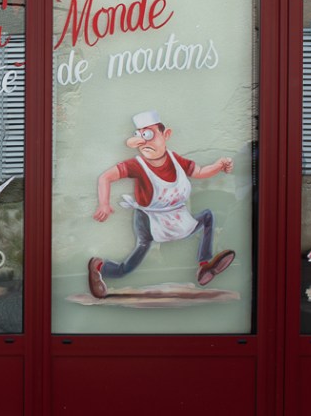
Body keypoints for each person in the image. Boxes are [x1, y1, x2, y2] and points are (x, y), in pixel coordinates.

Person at [88, 110, 235, 298]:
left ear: (166, 135)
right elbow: (105, 177)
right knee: (128, 266)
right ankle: (99, 266)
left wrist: (219, 166)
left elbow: (199, 172)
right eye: (139, 136)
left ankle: (204, 265)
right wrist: (103, 204)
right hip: (149, 219)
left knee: (207, 217)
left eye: (149, 135)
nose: (144, 143)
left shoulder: (175, 160)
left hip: (176, 216)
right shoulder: (137, 165)